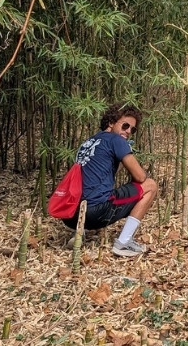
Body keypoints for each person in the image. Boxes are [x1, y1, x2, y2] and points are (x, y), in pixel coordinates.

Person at [63, 103, 158, 257]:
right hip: (96, 212)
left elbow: (104, 173)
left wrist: (121, 156)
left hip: (70, 214)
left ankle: (80, 233)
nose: (128, 131)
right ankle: (123, 243)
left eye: (132, 129)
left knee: (92, 189)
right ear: (111, 122)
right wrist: (127, 151)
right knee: (150, 185)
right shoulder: (116, 140)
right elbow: (140, 177)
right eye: (125, 125)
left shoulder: (88, 142)